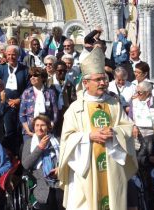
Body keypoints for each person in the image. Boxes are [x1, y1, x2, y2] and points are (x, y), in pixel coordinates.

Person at [58, 47, 138, 210]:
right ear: (85, 83)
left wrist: (115, 133)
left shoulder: (114, 104)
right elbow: (67, 140)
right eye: (98, 79)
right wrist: (88, 137)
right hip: (86, 169)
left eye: (104, 79)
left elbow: (128, 127)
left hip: (112, 166)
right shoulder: (75, 108)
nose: (103, 83)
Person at [21, 115, 64, 210]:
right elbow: (26, 165)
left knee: (62, 198)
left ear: (48, 127)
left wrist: (60, 168)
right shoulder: (28, 143)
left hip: (59, 179)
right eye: (37, 125)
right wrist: (39, 148)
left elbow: (66, 159)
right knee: (48, 200)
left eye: (42, 125)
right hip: (41, 182)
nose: (39, 128)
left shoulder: (58, 140)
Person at [0, 45, 29, 153]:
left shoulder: (25, 70)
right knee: (8, 132)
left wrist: (19, 100)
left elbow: (28, 88)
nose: (11, 57)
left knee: (20, 131)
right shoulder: (1, 69)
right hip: (6, 104)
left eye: (14, 54)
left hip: (21, 104)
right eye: (9, 54)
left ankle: (20, 156)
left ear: (18, 55)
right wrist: (6, 100)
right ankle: (9, 156)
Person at [19, 67, 58, 141]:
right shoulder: (26, 93)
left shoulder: (50, 92)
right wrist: (28, 131)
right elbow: (22, 115)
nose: (32, 78)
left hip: (47, 131)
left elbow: (55, 113)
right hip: (29, 133)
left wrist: (49, 128)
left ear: (43, 78)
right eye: (31, 76)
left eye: (35, 75)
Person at [51, 61, 76, 136]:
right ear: (55, 71)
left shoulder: (69, 84)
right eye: (59, 71)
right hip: (52, 114)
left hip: (65, 113)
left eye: (64, 71)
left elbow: (73, 99)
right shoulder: (48, 83)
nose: (62, 73)